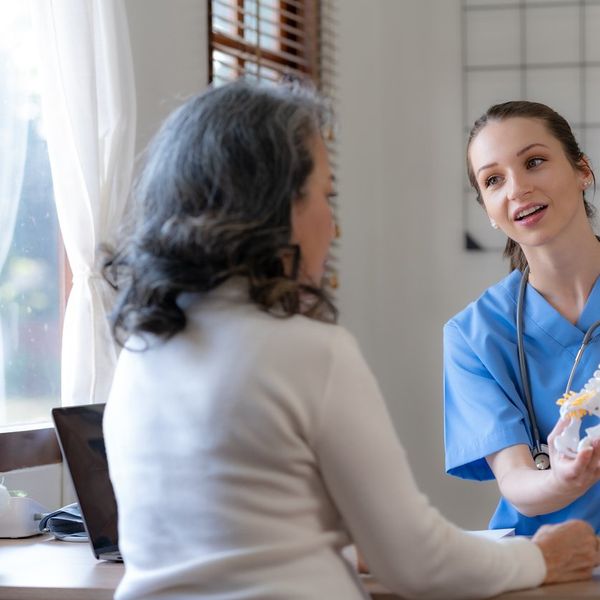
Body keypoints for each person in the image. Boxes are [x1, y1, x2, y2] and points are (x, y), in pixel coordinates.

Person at [103, 83, 599, 600]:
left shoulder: (140, 357)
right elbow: (417, 560)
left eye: (535, 162)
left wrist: (339, 547)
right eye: (325, 195)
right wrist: (543, 554)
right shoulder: (312, 352)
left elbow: (241, 534)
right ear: (276, 209)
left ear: (581, 170)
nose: (333, 224)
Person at [444, 100, 600, 537]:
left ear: (582, 170)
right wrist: (564, 477)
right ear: (489, 210)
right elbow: (516, 482)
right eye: (494, 180)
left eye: (534, 162)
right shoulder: (475, 335)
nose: (517, 189)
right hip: (551, 564)